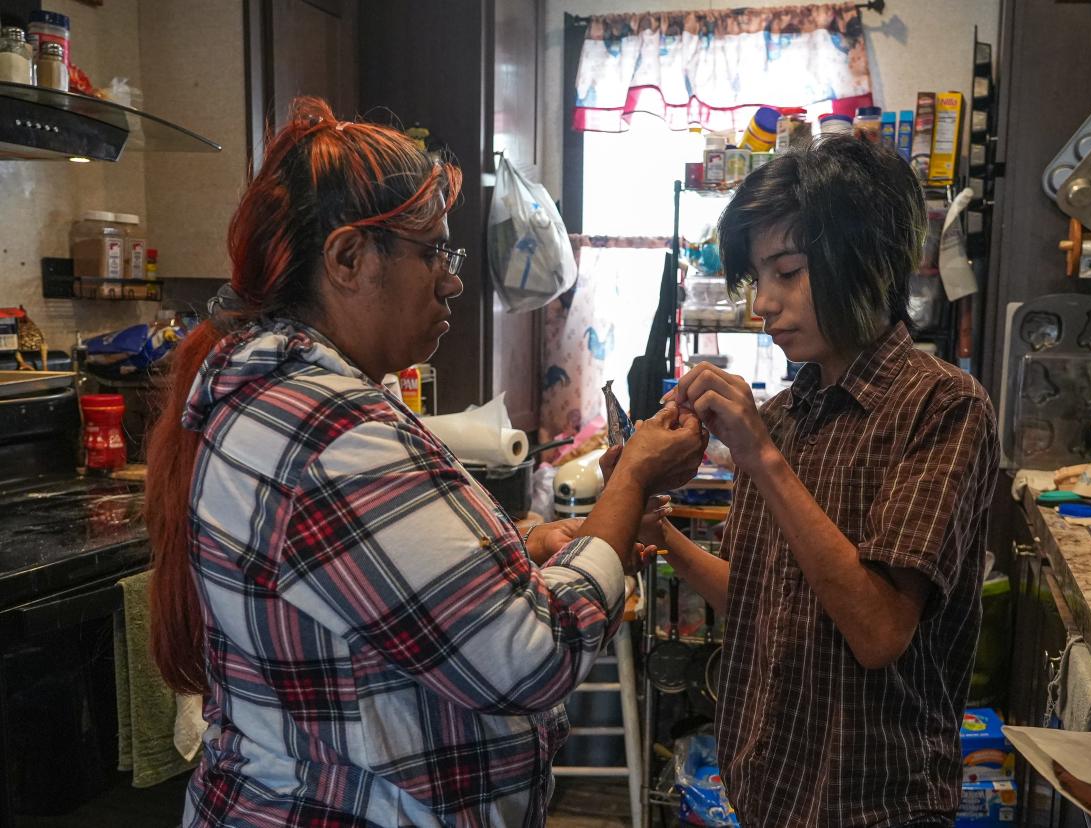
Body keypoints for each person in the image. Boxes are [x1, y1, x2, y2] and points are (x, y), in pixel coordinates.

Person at [144, 98, 707, 827]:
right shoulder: (330, 432)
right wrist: (631, 480)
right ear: (347, 259)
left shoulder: (281, 394)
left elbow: (370, 599)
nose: (451, 280)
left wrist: (512, 553)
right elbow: (533, 657)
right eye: (434, 253)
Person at [647, 136, 1000, 826]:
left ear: (863, 262)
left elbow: (877, 631)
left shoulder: (942, 407)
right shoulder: (783, 415)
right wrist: (658, 534)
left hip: (872, 805)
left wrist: (761, 458)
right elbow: (764, 599)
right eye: (758, 279)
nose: (765, 306)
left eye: (789, 271)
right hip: (767, 790)